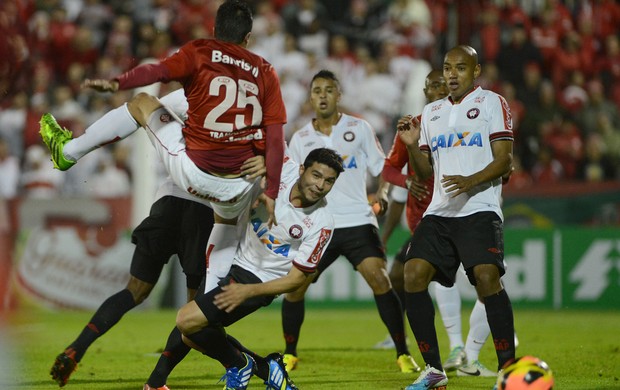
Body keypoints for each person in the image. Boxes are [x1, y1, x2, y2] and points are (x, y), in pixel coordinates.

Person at [39, 0, 287, 296]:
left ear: (213, 29)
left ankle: (68, 152)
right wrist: (271, 189)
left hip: (195, 174)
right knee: (224, 232)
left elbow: (156, 72)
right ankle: (206, 312)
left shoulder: (199, 54)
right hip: (237, 187)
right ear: (248, 38)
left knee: (142, 103)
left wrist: (120, 82)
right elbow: (275, 137)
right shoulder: (265, 71)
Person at [47, 88, 269, 389]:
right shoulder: (250, 107)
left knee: (134, 291)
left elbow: (136, 111)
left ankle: (78, 347)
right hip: (206, 213)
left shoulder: (191, 93)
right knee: (198, 317)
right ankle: (159, 380)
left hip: (166, 202)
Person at [281, 69, 421, 374]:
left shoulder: (359, 128)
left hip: (358, 220)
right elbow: (290, 183)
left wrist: (384, 193)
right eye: (316, 90)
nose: (322, 95)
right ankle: (290, 353)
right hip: (318, 225)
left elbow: (383, 167)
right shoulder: (300, 139)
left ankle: (402, 352)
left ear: (338, 95)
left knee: (379, 279)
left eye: (328, 90)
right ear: (310, 96)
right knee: (295, 288)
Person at [175, 147, 344, 390]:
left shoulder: (322, 223)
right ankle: (262, 367)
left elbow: (296, 280)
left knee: (186, 321)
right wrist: (261, 165)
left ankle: (240, 365)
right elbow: (266, 141)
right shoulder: (283, 169)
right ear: (302, 169)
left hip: (258, 280)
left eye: (329, 181)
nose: (320, 185)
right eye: (316, 175)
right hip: (233, 257)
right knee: (191, 335)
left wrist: (249, 291)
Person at [397, 45, 516, 390]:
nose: (451, 74)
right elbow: (424, 172)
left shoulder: (493, 103)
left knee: (487, 278)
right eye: (447, 68)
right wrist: (410, 143)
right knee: (413, 274)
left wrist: (471, 181)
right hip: (440, 211)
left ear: (475, 71)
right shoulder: (431, 112)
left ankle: (508, 371)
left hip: (480, 207)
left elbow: (504, 160)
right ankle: (434, 370)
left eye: (460, 68)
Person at [381, 70, 498, 377]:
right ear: (423, 90)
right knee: (427, 277)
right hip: (429, 219)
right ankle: (455, 349)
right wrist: (408, 180)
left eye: (441, 84)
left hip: (470, 214)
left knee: (488, 284)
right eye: (430, 85)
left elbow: (495, 159)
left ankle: (467, 354)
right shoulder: (415, 125)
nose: (435, 89)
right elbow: (389, 170)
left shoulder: (470, 119)